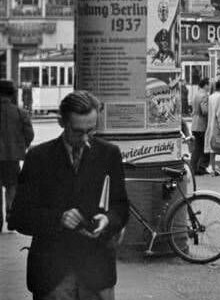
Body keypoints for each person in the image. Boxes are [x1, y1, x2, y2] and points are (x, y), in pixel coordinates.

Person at [10, 90, 128, 299]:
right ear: (61, 122)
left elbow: (121, 206)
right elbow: (19, 216)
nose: (85, 139)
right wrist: (58, 218)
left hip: (97, 273)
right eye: (77, 131)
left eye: (90, 131)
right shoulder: (38, 157)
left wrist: (108, 220)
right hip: (52, 276)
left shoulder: (109, 154)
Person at [0, 79, 34, 229]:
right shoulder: (20, 112)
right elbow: (29, 134)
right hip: (12, 158)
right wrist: (22, 146)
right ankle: (11, 215)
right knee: (12, 186)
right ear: (12, 94)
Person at [205, 80, 220, 176]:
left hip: (211, 125)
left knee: (213, 148)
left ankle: (213, 168)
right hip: (218, 126)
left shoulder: (211, 96)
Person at [189, 78, 211, 175]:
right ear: (205, 85)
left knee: (197, 147)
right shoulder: (204, 96)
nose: (210, 87)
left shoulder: (196, 94)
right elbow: (204, 110)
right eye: (209, 85)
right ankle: (202, 167)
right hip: (202, 124)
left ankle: (193, 167)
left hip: (194, 123)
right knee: (205, 146)